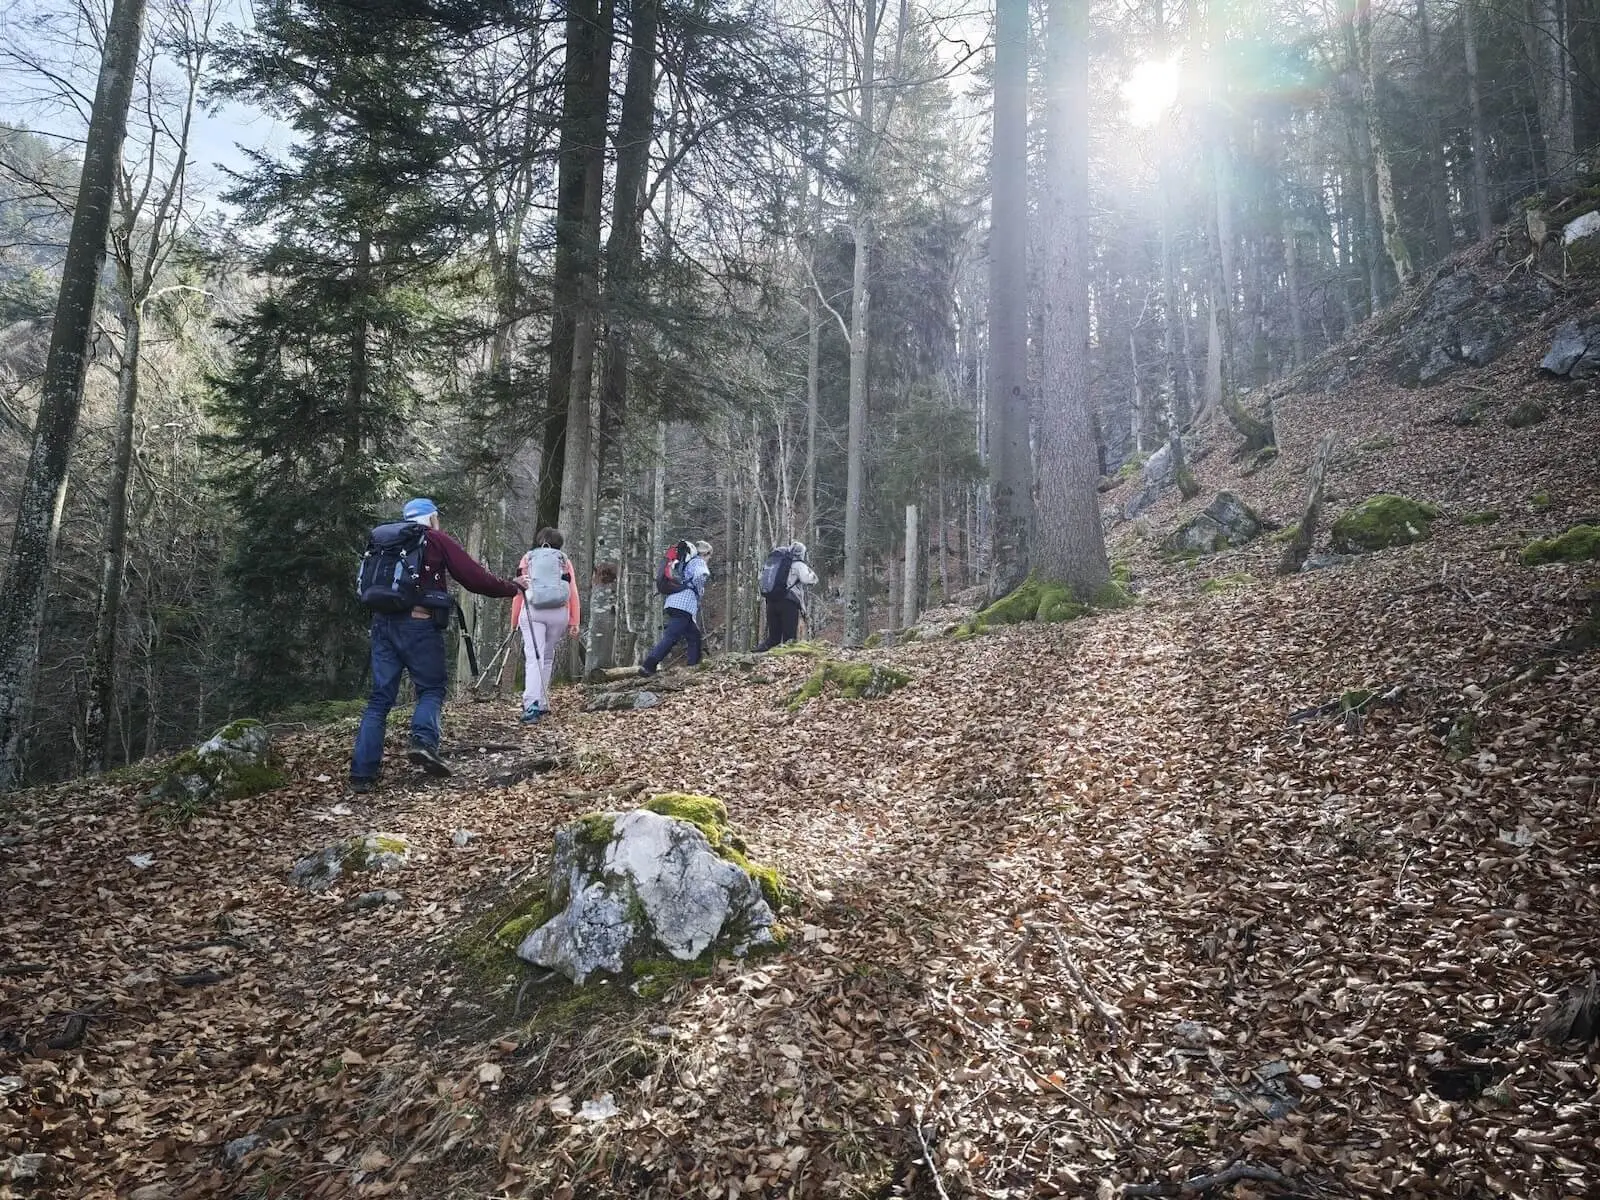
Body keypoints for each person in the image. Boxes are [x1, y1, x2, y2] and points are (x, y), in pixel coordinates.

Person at [350, 498, 524, 792]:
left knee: (379, 699)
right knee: (431, 689)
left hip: (382, 624)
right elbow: (474, 578)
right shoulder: (435, 539)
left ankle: (361, 774)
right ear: (431, 518)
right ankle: (423, 743)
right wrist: (512, 587)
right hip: (419, 624)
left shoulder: (384, 542)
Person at [509, 527, 581, 725]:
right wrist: (574, 620)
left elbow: (519, 590)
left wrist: (514, 620)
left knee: (534, 657)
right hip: (559, 613)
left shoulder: (528, 559)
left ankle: (531, 704)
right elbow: (572, 591)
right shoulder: (564, 561)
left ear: (538, 541)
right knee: (547, 656)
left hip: (533, 611)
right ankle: (541, 701)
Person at [639, 539, 711, 675]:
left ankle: (693, 666)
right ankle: (648, 666)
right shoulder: (698, 561)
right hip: (683, 605)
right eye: (709, 557)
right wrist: (699, 589)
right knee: (671, 637)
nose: (709, 560)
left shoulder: (684, 563)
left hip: (674, 602)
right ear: (706, 554)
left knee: (694, 636)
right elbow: (701, 575)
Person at [757, 541, 819, 651]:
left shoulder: (776, 563)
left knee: (773, 638)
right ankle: (787, 660)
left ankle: (757, 655)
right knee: (789, 639)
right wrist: (813, 576)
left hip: (771, 601)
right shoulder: (798, 565)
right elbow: (807, 579)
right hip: (788, 603)